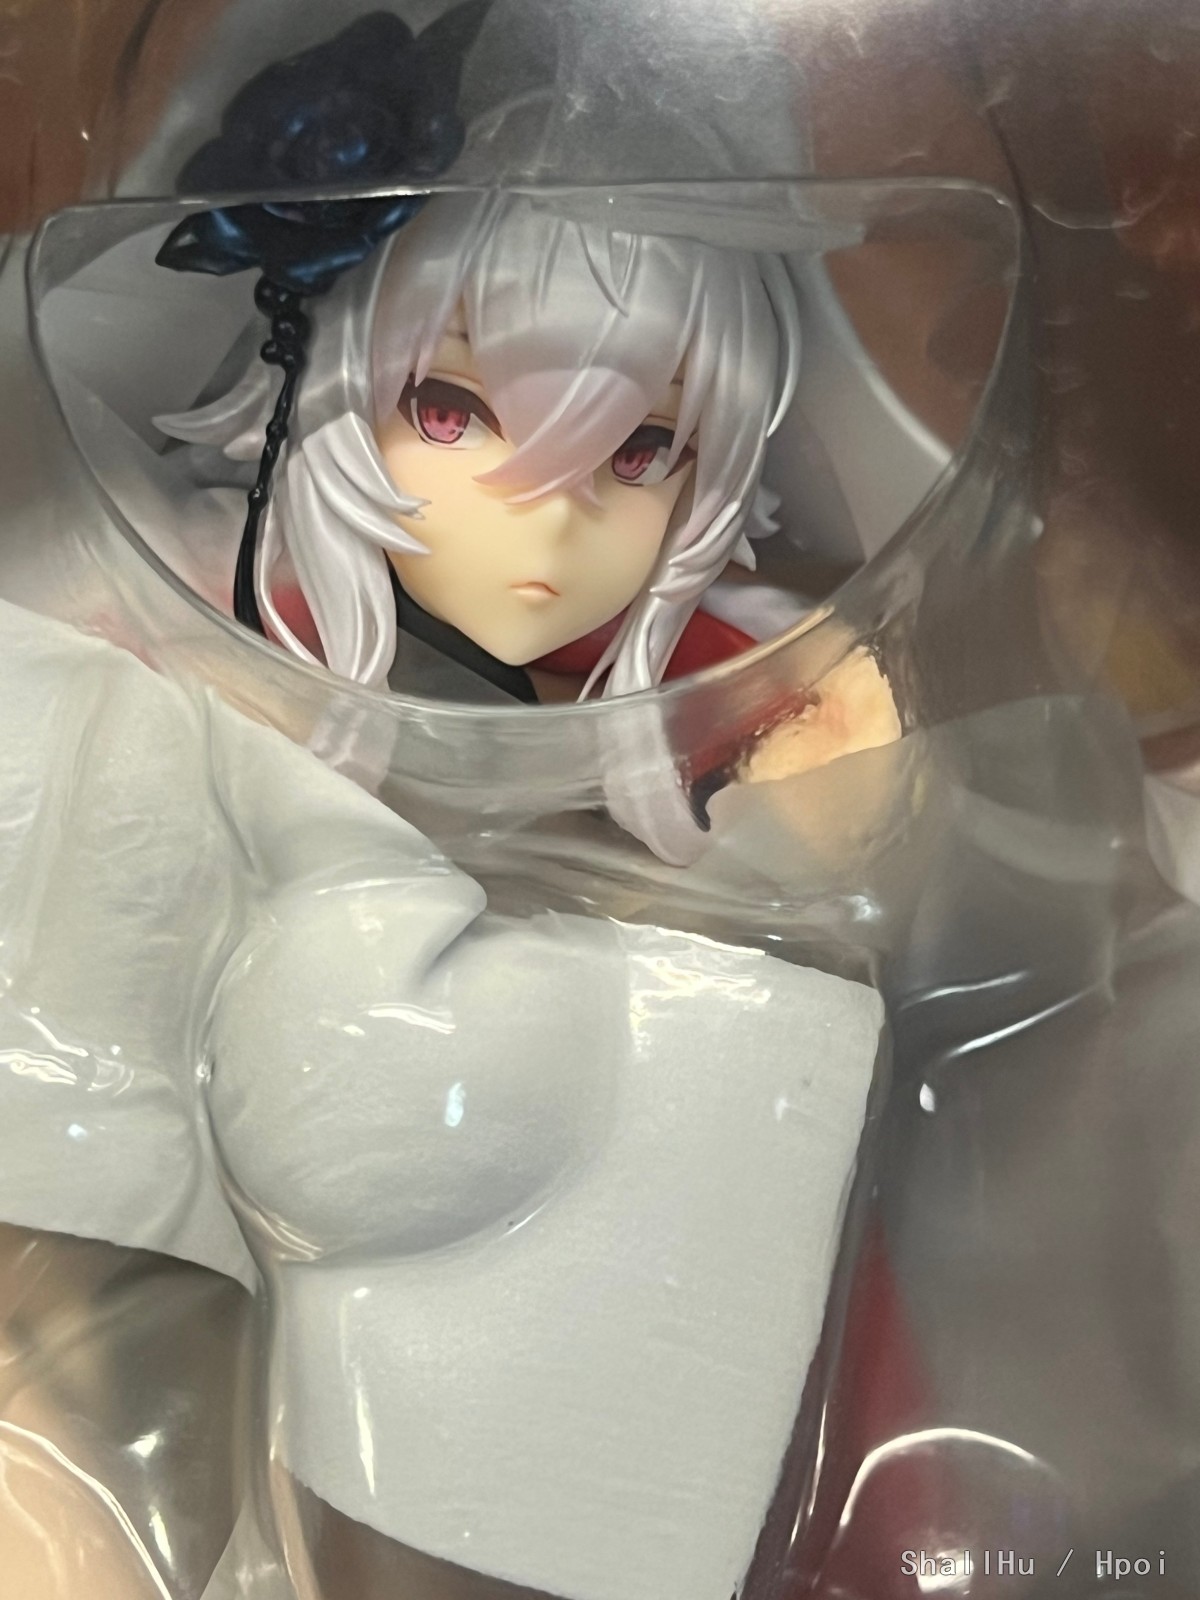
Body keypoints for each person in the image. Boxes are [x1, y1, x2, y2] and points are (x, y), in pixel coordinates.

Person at [156, 189, 801, 706]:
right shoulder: (186, 613)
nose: (554, 522)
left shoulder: (744, 666)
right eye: (447, 416)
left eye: (641, 454)